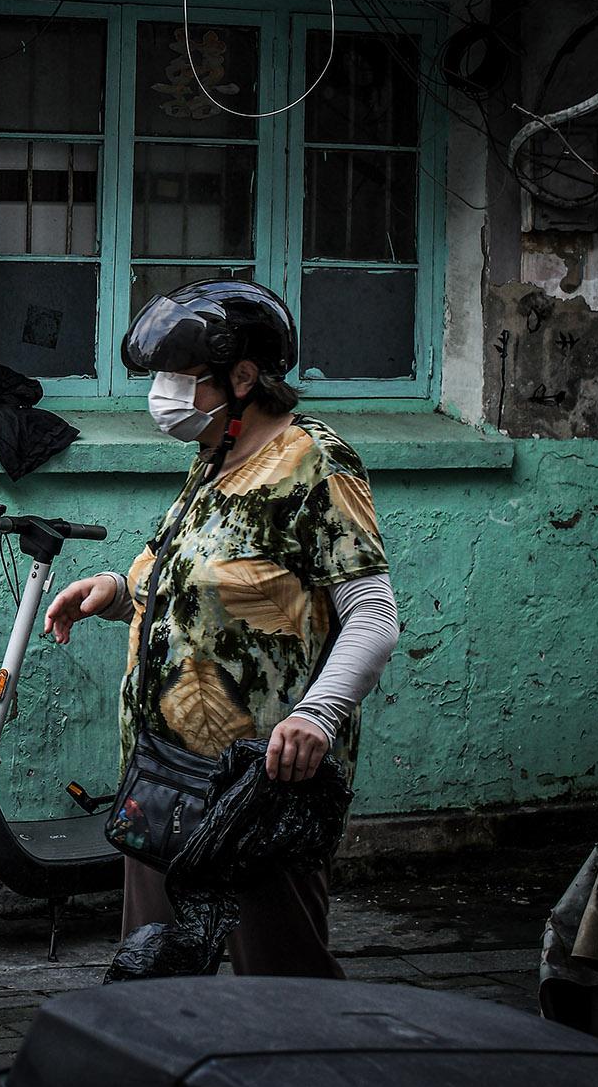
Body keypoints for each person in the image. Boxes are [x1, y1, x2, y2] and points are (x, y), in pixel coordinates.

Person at [43, 279, 400, 977]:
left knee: (278, 994)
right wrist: (117, 593)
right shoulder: (214, 457)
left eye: (181, 377)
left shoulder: (313, 462)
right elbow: (200, 584)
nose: (164, 393)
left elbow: (374, 616)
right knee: (156, 983)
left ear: (243, 376)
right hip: (162, 781)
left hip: (257, 793)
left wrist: (317, 717)